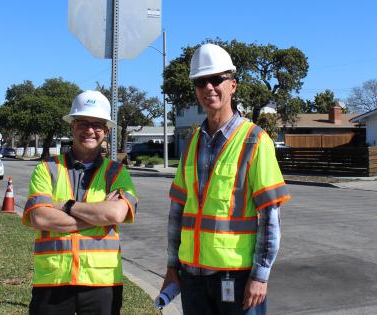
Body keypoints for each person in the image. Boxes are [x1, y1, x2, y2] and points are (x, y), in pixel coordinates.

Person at [161, 43, 291, 314]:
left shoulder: (256, 140)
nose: (208, 87)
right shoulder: (192, 142)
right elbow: (177, 212)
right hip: (192, 276)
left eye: (216, 79)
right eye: (200, 82)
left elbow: (270, 217)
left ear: (232, 85)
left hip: (237, 276)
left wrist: (260, 275)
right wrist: (173, 266)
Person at [23, 90, 138, 315]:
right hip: (53, 280)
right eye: (83, 123)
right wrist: (97, 217)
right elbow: (40, 217)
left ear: (106, 131)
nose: (90, 130)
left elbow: (115, 214)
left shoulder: (117, 173)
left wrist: (66, 206)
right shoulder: (46, 169)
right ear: (72, 126)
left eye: (97, 125)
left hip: (102, 282)